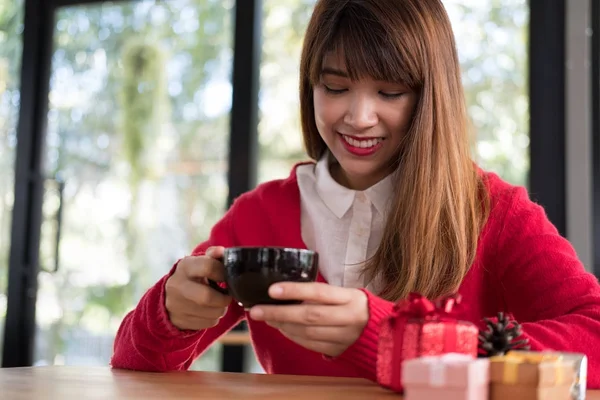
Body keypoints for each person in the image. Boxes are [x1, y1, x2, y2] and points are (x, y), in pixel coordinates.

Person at [111, 0, 600, 388]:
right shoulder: (259, 214)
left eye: (389, 93)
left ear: (431, 96)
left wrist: (400, 344)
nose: (358, 117)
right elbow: (134, 363)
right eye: (335, 86)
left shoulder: (491, 211)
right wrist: (172, 314)